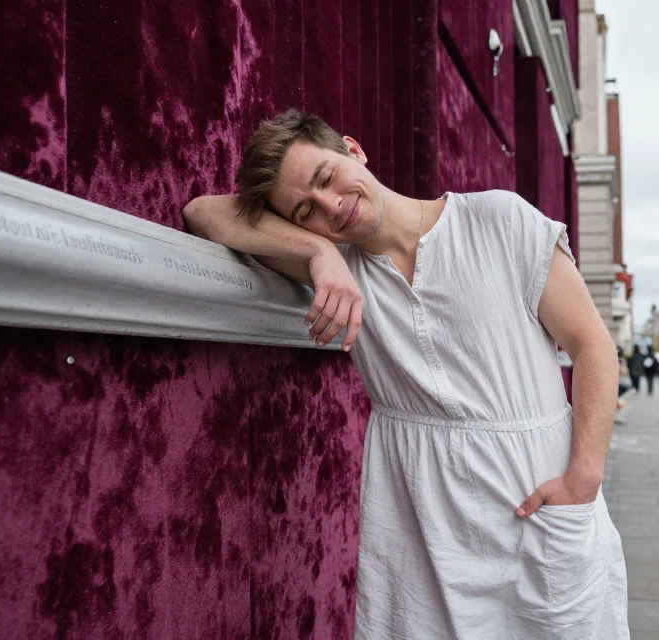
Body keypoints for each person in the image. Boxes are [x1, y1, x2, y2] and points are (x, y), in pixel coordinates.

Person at [182, 110, 629, 638]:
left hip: (539, 510)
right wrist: (318, 251)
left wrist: (583, 479)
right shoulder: (342, 265)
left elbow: (592, 344)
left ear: (353, 150)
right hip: (423, 528)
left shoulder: (500, 221)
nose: (331, 205)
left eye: (326, 178)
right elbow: (202, 213)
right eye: (306, 210)